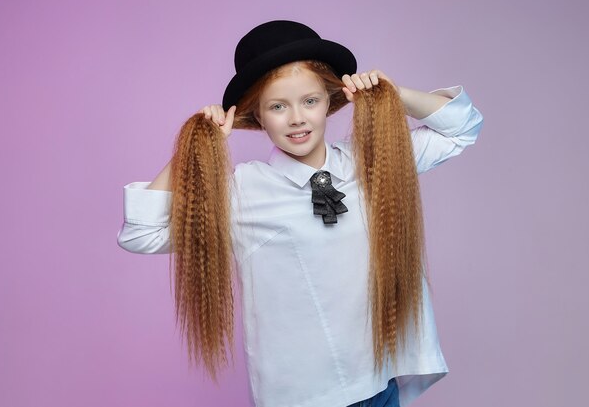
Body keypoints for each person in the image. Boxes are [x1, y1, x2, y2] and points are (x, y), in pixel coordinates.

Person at [117, 20, 484, 407]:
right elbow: (141, 233)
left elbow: (462, 129)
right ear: (257, 117)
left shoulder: (373, 161)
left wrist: (393, 95)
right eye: (278, 106)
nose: (297, 118)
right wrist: (195, 143)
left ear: (330, 100)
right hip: (306, 395)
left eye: (310, 101)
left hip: (379, 382)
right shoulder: (243, 192)